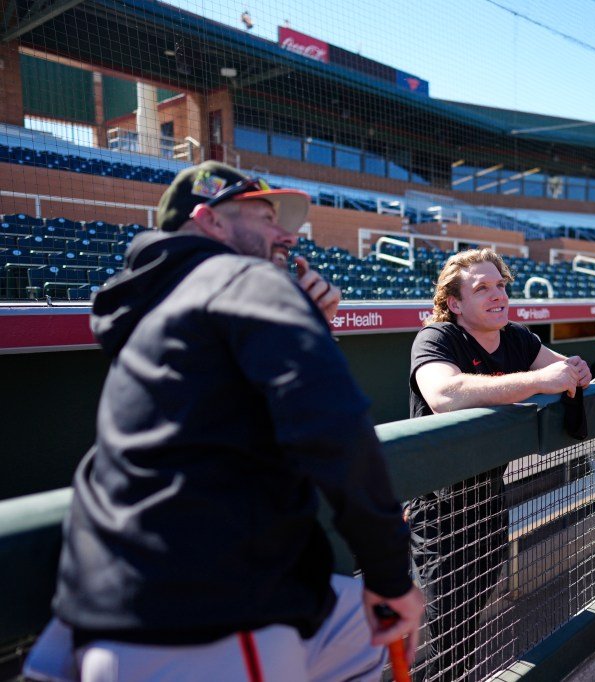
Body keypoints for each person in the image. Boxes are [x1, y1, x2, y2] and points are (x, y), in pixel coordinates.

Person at [25, 161, 423, 682]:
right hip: (207, 619)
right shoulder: (241, 276)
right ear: (209, 221)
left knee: (355, 631)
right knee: (384, 623)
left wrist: (307, 328)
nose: (285, 234)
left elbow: (229, 414)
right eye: (263, 216)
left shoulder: (161, 306)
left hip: (104, 618)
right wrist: (391, 576)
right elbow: (331, 419)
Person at [408, 247, 591, 679]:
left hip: (488, 500)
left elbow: (564, 371)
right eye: (482, 288)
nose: (497, 295)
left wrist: (578, 371)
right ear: (455, 303)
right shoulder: (437, 337)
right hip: (439, 508)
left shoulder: (516, 337)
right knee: (451, 631)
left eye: (501, 285)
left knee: (468, 626)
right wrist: (540, 380)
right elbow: (444, 395)